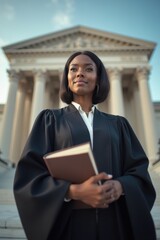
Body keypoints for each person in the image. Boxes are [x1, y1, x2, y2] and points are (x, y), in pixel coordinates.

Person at [14, 51, 156, 240]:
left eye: (88, 69)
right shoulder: (49, 120)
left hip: (114, 225)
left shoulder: (118, 124)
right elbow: (29, 175)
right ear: (67, 78)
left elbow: (138, 171)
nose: (80, 73)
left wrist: (121, 186)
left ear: (98, 79)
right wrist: (72, 191)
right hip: (69, 226)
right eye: (73, 69)